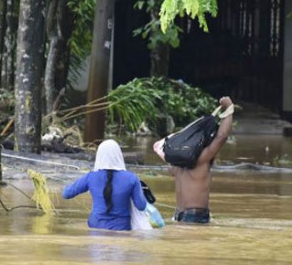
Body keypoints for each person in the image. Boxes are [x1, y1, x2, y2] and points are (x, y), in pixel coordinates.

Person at [153, 96, 234, 224]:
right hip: (194, 216)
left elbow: (161, 147)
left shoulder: (176, 162)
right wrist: (229, 109)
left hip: (179, 215)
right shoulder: (202, 159)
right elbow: (222, 137)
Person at [62, 139, 147, 231]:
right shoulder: (132, 178)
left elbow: (66, 194)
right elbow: (141, 206)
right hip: (122, 229)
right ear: (119, 156)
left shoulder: (91, 177)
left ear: (99, 156)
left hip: (95, 227)